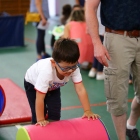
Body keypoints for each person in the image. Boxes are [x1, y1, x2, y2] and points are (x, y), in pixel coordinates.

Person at [86, 0, 140, 140]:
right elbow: (90, 7)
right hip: (117, 37)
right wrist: (97, 43)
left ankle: (131, 126)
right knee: (117, 97)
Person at [24, 38, 100, 126]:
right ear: (53, 63)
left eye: (74, 66)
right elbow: (40, 98)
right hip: (32, 83)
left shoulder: (73, 68)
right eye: (66, 68)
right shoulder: (46, 72)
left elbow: (80, 89)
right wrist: (41, 120)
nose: (70, 70)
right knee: (39, 112)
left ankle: (53, 132)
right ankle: (36, 130)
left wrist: (87, 111)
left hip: (53, 85)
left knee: (55, 111)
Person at [88, 3, 105, 80]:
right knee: (102, 50)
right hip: (104, 27)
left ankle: (94, 68)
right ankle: (100, 71)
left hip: (95, 25)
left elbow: (88, 9)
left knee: (97, 48)